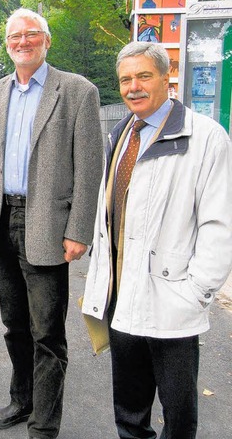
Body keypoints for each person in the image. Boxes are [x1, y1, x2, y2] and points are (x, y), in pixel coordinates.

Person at [82, 41, 232, 438]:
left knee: (178, 411)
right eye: (126, 79)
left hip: (172, 301)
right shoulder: (121, 134)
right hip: (121, 298)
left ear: (167, 78)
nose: (133, 87)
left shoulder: (205, 138)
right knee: (129, 409)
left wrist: (196, 290)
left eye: (144, 76)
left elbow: (220, 225)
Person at [0, 8, 103, 438]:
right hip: (0, 219)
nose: (22, 41)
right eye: (14, 36)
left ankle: (44, 424)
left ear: (46, 41)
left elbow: (89, 167)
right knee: (14, 323)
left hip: (46, 221)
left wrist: (78, 229)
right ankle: (21, 399)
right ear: (6, 43)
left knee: (47, 331)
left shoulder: (77, 91)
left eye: (31, 34)